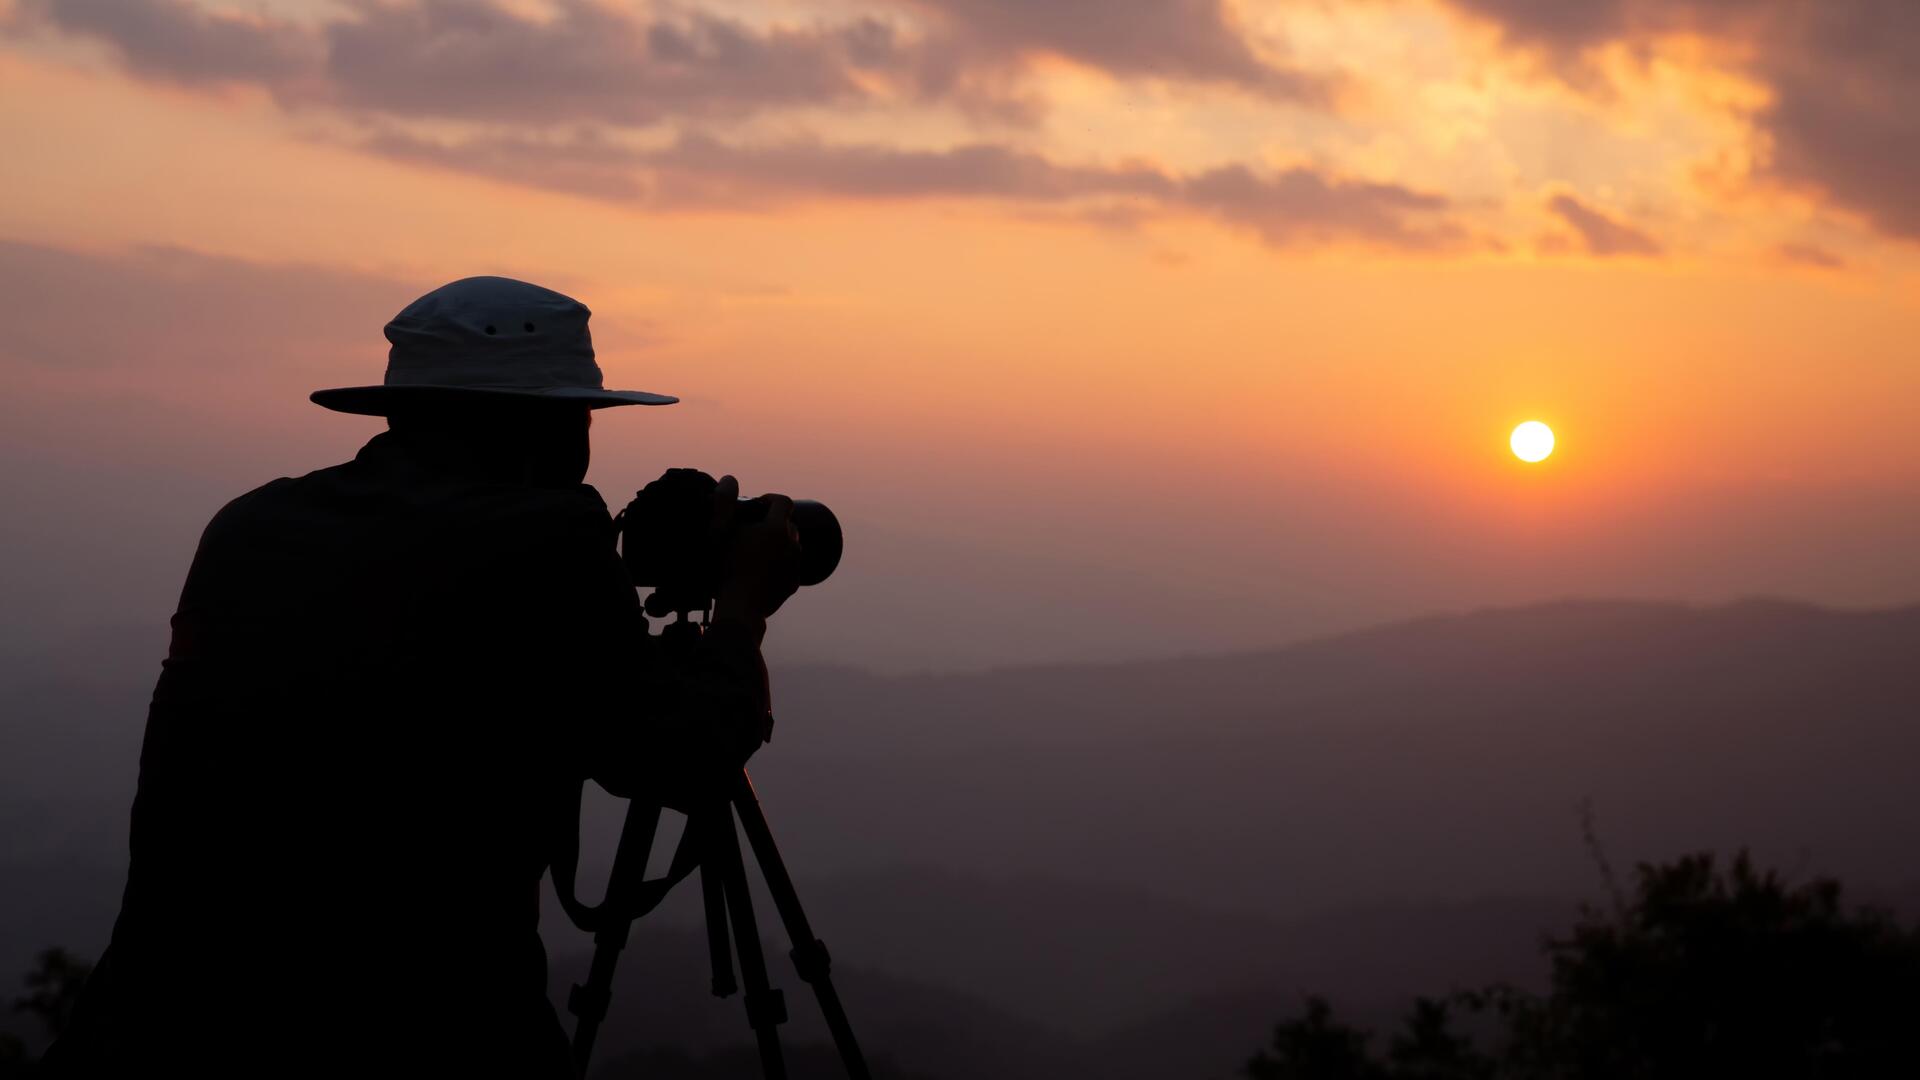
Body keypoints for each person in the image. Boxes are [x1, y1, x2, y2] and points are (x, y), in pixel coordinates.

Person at [46, 277, 801, 1076]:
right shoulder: (548, 539)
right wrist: (743, 608)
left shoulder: (249, 525)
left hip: (149, 1028)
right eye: (583, 414)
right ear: (542, 428)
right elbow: (686, 756)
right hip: (419, 1033)